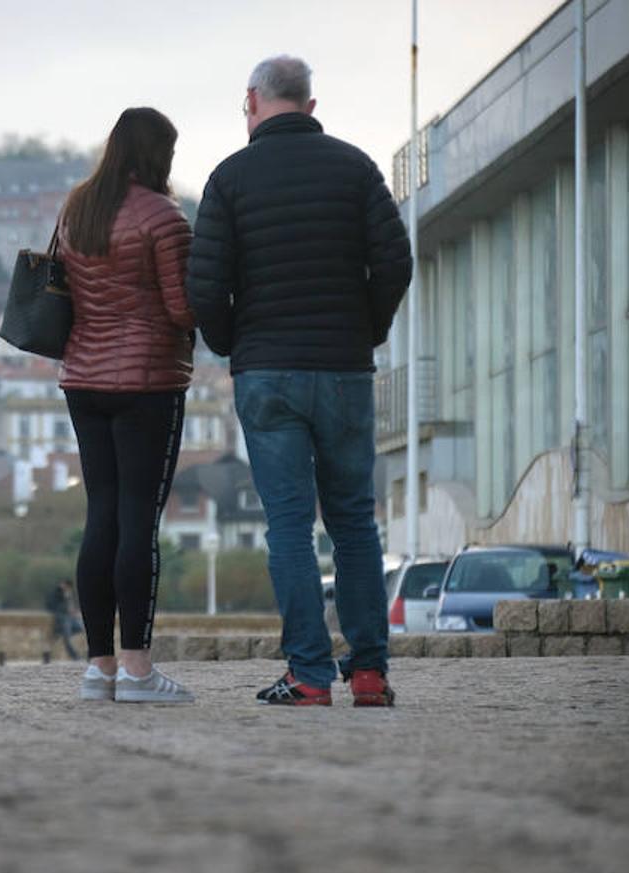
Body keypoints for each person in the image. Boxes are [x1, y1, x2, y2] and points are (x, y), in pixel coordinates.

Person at [186, 56, 411, 707]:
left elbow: (205, 284)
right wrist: (366, 329)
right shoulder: (356, 169)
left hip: (267, 371)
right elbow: (394, 260)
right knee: (352, 522)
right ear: (310, 106)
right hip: (343, 368)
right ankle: (369, 672)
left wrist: (233, 343)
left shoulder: (228, 179)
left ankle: (309, 674)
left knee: (288, 524)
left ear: (251, 102)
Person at [58, 108, 195, 704]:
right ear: (157, 153)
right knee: (140, 519)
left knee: (102, 514)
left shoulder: (77, 206)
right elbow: (183, 308)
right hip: (147, 381)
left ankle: (100, 669)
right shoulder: (164, 216)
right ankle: (140, 672)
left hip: (83, 378)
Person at [45, 578, 80, 661]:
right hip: (62, 618)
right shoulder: (57, 593)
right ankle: (74, 656)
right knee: (66, 638)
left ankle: (47, 652)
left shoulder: (70, 594)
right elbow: (52, 605)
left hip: (69, 618)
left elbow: (72, 605)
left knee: (77, 629)